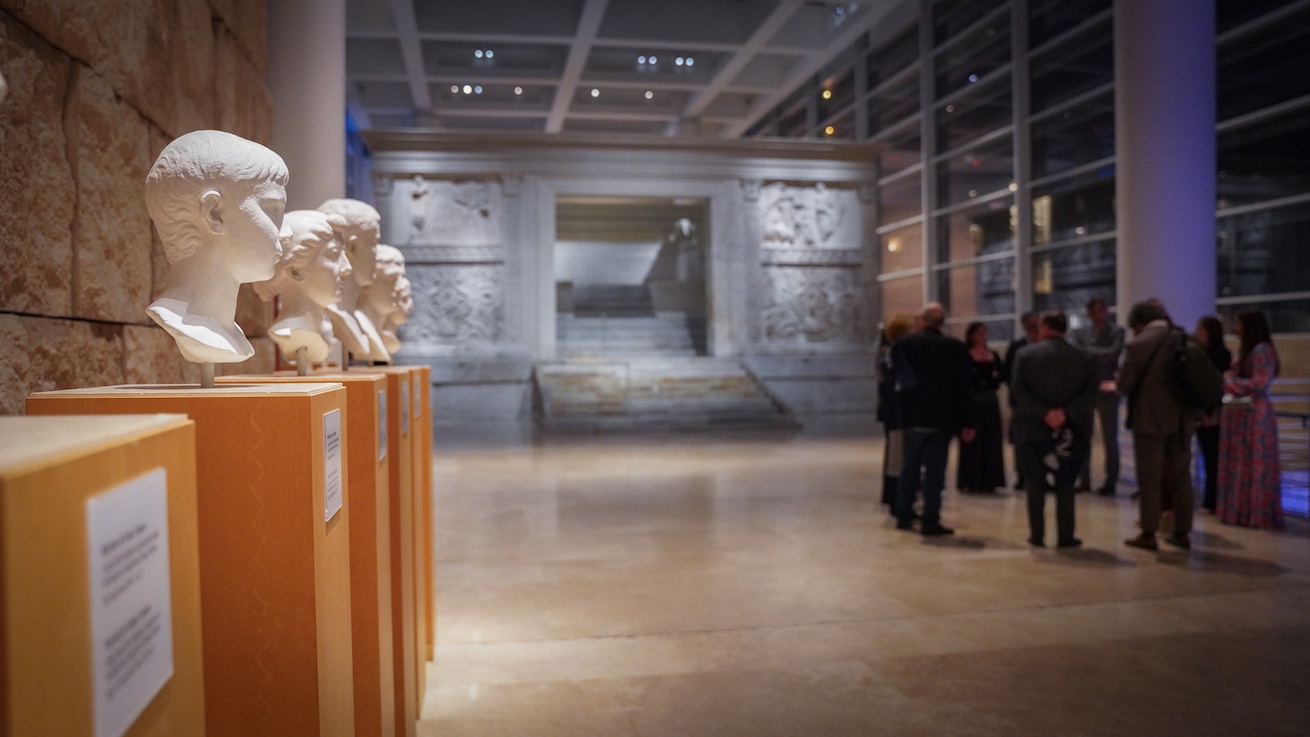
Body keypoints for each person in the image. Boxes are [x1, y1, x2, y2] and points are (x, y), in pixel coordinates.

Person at [143, 130, 290, 365]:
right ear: (214, 213)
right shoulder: (193, 328)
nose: (286, 233)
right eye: (272, 209)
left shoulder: (232, 336)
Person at [1010, 311, 1098, 548]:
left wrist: (1044, 413)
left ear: (1044, 327)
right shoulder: (1085, 357)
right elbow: (1090, 395)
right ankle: (1066, 536)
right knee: (1066, 483)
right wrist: (1065, 413)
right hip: (1071, 431)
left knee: (1034, 483)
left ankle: (1037, 535)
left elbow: (1018, 391)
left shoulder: (1025, 355)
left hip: (1032, 429)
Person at [891, 303, 977, 536]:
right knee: (935, 472)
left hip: (912, 417)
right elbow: (964, 386)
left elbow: (896, 382)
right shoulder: (955, 347)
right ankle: (930, 520)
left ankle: (903, 515)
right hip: (942, 419)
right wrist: (968, 421)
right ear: (941, 323)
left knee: (909, 468)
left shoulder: (903, 344)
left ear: (923, 321)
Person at [1117, 300, 1194, 551]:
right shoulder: (1184, 338)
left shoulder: (1138, 345)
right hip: (1181, 418)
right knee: (1181, 476)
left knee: (1150, 478)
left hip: (1149, 419)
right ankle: (1182, 532)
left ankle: (1148, 533)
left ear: (1139, 324)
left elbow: (1124, 385)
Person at [252, 210, 353, 367]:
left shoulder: (321, 335)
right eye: (334, 255)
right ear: (295, 271)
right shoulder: (292, 335)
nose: (347, 268)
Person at [1217, 310, 1283, 529]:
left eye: (1238, 322)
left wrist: (1230, 382)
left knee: (1254, 464)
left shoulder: (1261, 349)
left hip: (1254, 416)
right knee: (1242, 464)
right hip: (1242, 415)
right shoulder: (1247, 349)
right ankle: (1241, 512)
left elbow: (1260, 383)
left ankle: (1255, 513)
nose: (1234, 326)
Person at [1070, 298, 1126, 495]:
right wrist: (1097, 354)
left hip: (1107, 388)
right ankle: (1084, 478)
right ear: (1089, 313)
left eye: (1101, 310)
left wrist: (1088, 353)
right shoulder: (1081, 332)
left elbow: (1113, 353)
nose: (1098, 314)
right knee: (1083, 435)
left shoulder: (1116, 331)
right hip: (1087, 388)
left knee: (1110, 437)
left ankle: (1111, 480)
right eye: (1094, 311)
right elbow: (1076, 351)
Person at [958, 322, 1006, 494]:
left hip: (990, 401)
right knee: (974, 440)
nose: (983, 336)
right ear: (971, 335)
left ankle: (990, 480)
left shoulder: (993, 354)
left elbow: (1000, 376)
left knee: (991, 440)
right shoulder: (965, 355)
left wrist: (989, 379)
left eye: (984, 332)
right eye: (979, 333)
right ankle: (972, 480)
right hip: (973, 402)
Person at [875, 312, 916, 514]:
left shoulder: (887, 352)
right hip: (896, 412)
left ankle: (894, 495)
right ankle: (897, 498)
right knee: (897, 456)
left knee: (895, 456)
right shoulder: (894, 353)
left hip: (892, 410)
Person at [1193, 315, 1232, 512]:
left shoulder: (1220, 355)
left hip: (1213, 414)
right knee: (1208, 457)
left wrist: (1207, 412)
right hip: (1203, 412)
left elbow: (1214, 387)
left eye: (1200, 329)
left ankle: (1213, 500)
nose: (1196, 332)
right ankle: (1210, 499)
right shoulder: (1203, 353)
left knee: (1213, 458)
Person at [1002, 311, 1041, 490]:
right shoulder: (1016, 347)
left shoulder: (1045, 345)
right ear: (1025, 327)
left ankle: (1042, 475)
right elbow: (1007, 373)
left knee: (1041, 440)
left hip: (1042, 401)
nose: (1036, 328)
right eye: (1032, 325)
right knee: (1020, 440)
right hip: (1020, 402)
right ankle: (1022, 475)